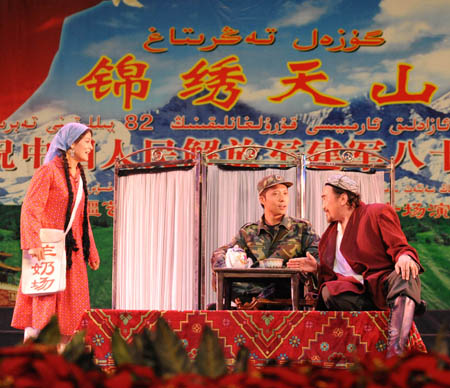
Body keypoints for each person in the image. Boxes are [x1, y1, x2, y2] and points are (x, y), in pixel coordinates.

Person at [288, 174, 426, 357]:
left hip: (382, 287)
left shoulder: (376, 213)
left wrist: (405, 257)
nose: (323, 206)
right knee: (329, 290)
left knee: (406, 274)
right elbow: (331, 276)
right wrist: (317, 269)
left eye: (325, 198)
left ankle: (395, 351)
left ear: (343, 198)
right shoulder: (328, 238)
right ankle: (367, 334)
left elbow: (400, 246)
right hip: (357, 297)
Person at [11, 122, 100, 346]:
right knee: (45, 304)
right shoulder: (48, 172)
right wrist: (33, 243)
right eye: (88, 141)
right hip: (47, 252)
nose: (92, 146)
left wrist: (91, 252)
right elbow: (31, 208)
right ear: (72, 144)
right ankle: (34, 361)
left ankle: (66, 361)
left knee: (72, 309)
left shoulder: (79, 176)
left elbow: (82, 218)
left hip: (72, 254)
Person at [211, 174, 319, 307]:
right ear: (262, 199)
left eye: (285, 193)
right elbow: (221, 252)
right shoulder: (249, 232)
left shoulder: (302, 228)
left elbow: (318, 258)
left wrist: (312, 265)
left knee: (283, 287)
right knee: (229, 284)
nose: (282, 199)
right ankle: (257, 301)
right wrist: (223, 268)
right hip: (256, 286)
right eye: (275, 194)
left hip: (288, 289)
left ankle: (257, 303)